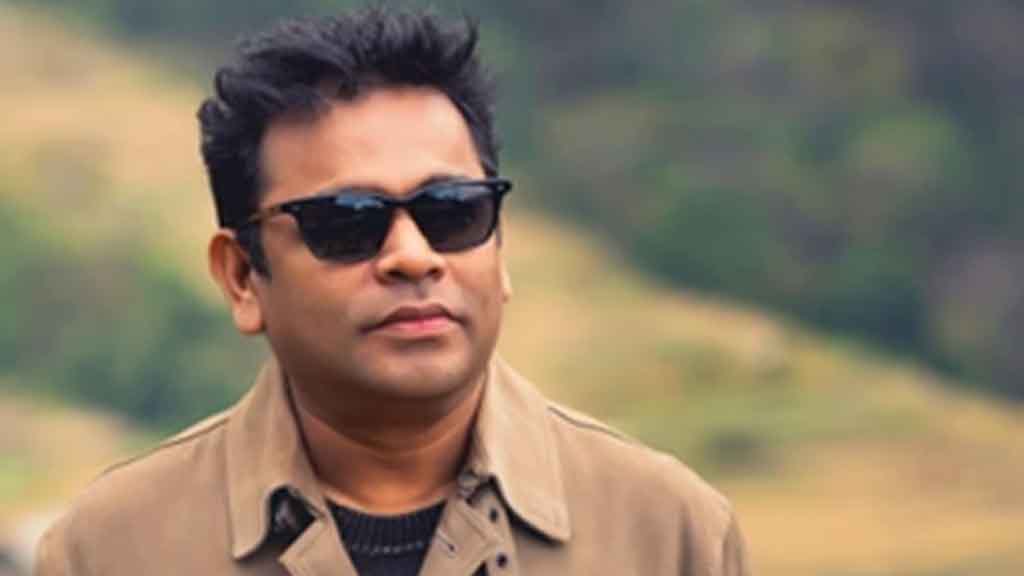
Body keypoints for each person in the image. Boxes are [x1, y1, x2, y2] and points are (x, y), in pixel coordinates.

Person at [34, 7, 750, 576]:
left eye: (453, 213)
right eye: (348, 223)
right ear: (243, 276)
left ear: (500, 248)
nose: (412, 257)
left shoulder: (670, 535)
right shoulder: (110, 549)